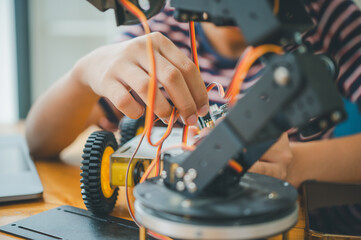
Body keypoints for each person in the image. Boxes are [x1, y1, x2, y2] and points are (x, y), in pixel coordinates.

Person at [26, 0, 361, 187]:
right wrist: (83, 74)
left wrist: (297, 164)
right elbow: (40, 141)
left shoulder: (328, 16)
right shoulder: (159, 25)